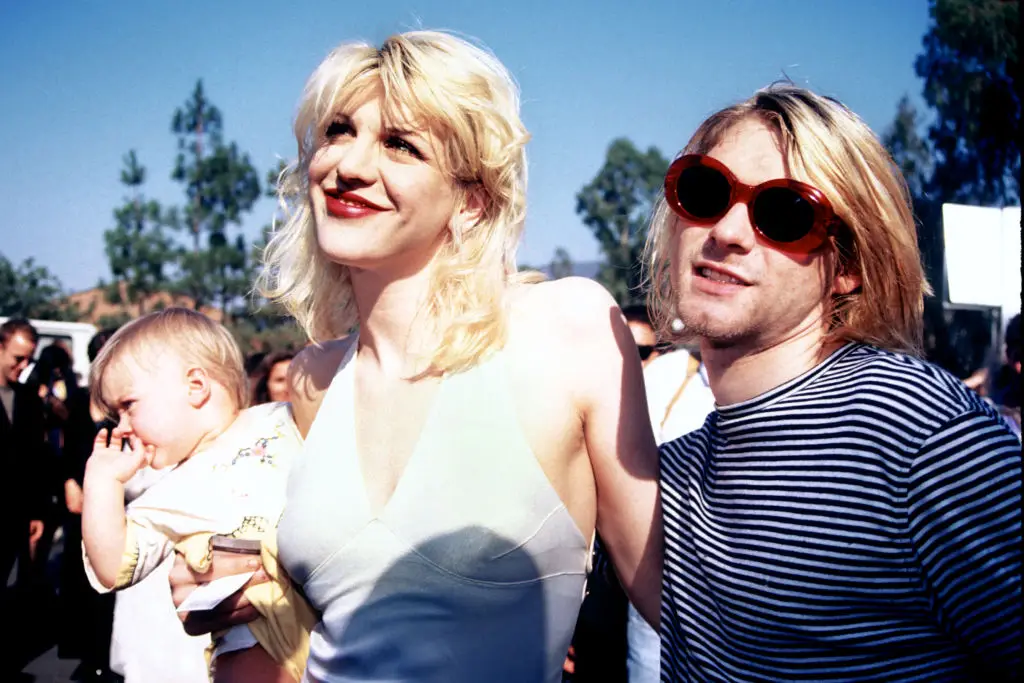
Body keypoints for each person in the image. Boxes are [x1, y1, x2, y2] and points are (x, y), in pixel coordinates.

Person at [171, 29, 661, 683]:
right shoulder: (314, 378)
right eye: (338, 131)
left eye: (400, 144)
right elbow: (356, 599)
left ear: (471, 200)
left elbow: (671, 597)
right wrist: (243, 582)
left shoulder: (566, 328)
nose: (348, 165)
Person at [647, 84, 1022, 680]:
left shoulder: (919, 433)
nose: (728, 231)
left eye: (785, 213)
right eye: (706, 191)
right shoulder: (678, 470)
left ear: (847, 267)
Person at [81, 308, 313, 683]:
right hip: (257, 646)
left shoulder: (286, 419)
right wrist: (102, 483)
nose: (121, 428)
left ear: (195, 386)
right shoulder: (169, 492)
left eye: (128, 406)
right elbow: (112, 566)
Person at [0, 318, 49, 675]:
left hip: (14, 513)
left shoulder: (29, 398)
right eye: (17, 358)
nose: (23, 366)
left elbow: (36, 459)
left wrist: (37, 513)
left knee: (11, 590)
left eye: (28, 359)